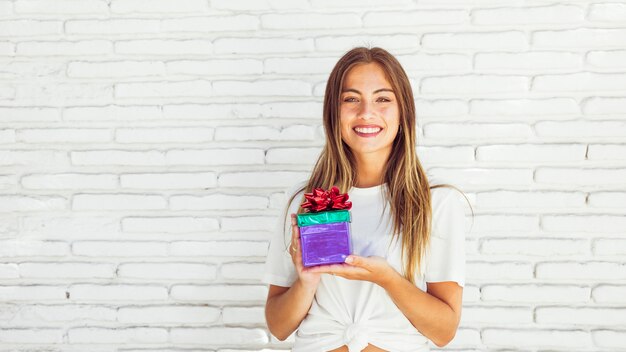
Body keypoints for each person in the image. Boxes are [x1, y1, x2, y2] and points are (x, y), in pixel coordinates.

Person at [262, 46, 472, 352]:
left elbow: (444, 331)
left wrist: (387, 278)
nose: (366, 113)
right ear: (334, 112)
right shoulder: (305, 201)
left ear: (404, 112)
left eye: (383, 99)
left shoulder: (436, 203)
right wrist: (307, 281)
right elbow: (279, 328)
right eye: (351, 99)